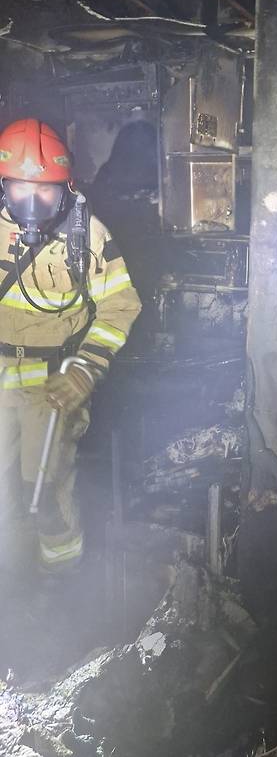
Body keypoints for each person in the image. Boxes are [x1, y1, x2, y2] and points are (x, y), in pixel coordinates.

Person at [0, 118, 141, 583]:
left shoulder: (88, 237)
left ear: (67, 188)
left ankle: (61, 584)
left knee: (45, 491)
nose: (33, 205)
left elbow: (121, 306)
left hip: (53, 383)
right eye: (20, 191)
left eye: (46, 192)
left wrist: (86, 369)